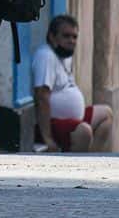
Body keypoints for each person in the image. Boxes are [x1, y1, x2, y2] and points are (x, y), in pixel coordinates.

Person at [32, 15, 114, 152]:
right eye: (66, 36)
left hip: (72, 121)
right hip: (53, 123)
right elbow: (42, 97)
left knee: (106, 114)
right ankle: (75, 167)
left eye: (74, 37)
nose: (71, 41)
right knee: (84, 131)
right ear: (52, 37)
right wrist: (47, 138)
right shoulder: (46, 56)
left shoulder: (65, 56)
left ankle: (90, 161)